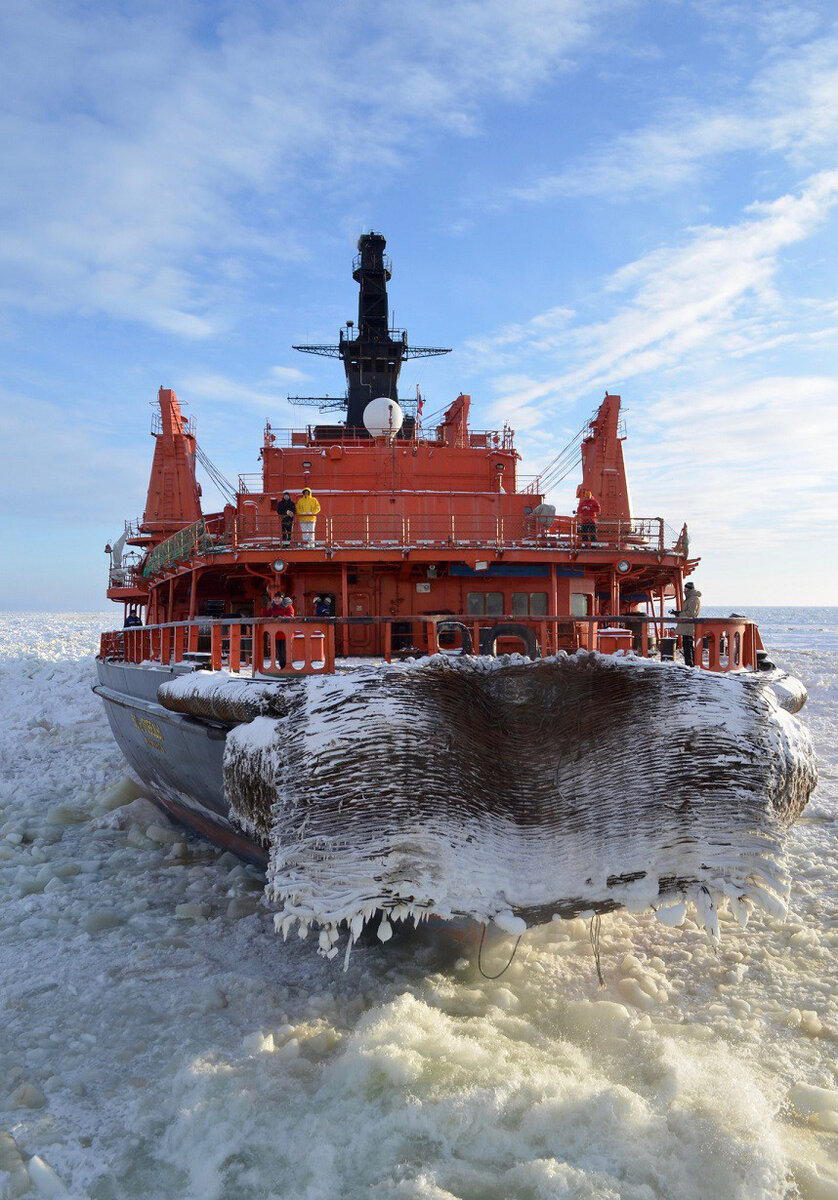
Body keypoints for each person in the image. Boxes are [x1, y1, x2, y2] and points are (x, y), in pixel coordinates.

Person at [671, 581, 702, 667]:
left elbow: (691, 613)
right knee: (687, 645)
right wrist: (678, 613)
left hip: (689, 625)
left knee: (688, 645)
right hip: (687, 625)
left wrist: (679, 613)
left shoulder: (694, 599)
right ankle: (689, 663)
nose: (684, 590)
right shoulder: (691, 598)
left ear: (689, 589)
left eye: (686, 589)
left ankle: (690, 664)